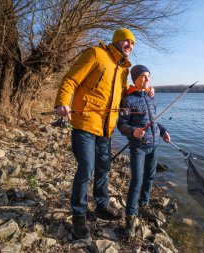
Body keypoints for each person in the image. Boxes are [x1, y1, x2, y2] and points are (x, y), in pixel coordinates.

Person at [54, 28, 154, 239]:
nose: (130, 45)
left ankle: (101, 205)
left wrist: (144, 89)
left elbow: (120, 92)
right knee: (87, 169)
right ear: (117, 41)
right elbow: (71, 79)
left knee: (104, 168)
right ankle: (79, 215)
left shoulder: (124, 70)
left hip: (106, 128)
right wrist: (63, 102)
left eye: (133, 43)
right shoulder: (95, 54)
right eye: (127, 41)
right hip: (85, 123)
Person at [117, 65, 171, 237]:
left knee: (150, 176)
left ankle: (144, 203)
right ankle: (130, 218)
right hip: (138, 147)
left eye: (148, 76)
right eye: (142, 77)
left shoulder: (151, 97)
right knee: (136, 181)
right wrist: (132, 131)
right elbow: (122, 124)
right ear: (135, 79)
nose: (147, 80)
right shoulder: (127, 100)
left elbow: (153, 121)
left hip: (154, 144)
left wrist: (162, 131)